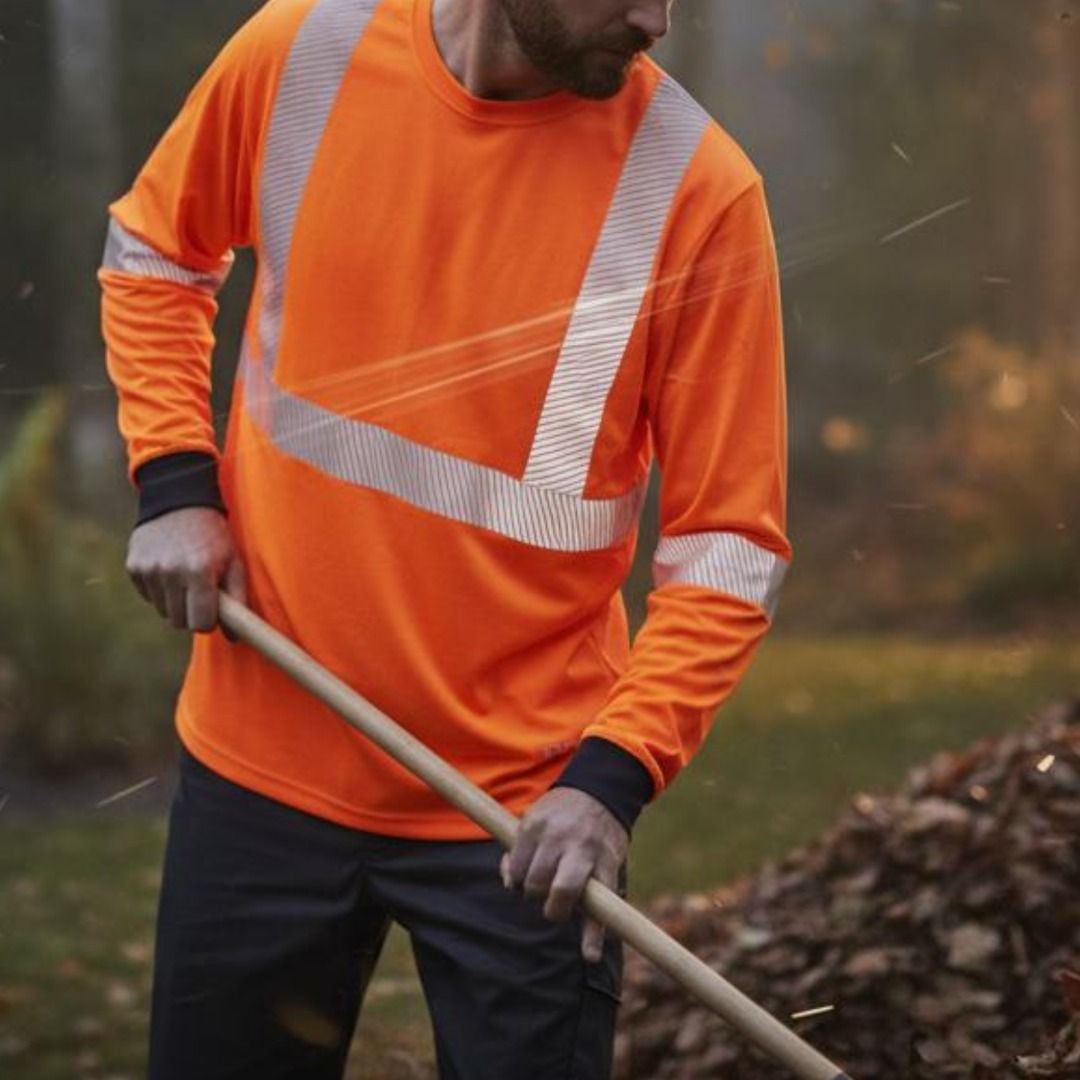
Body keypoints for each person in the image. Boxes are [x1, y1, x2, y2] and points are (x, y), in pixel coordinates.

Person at [99, 1, 791, 1077]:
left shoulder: (699, 190)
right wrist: (175, 480)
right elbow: (154, 256)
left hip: (529, 819)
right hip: (264, 763)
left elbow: (728, 551)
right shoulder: (300, 51)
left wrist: (611, 778)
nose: (656, 19)